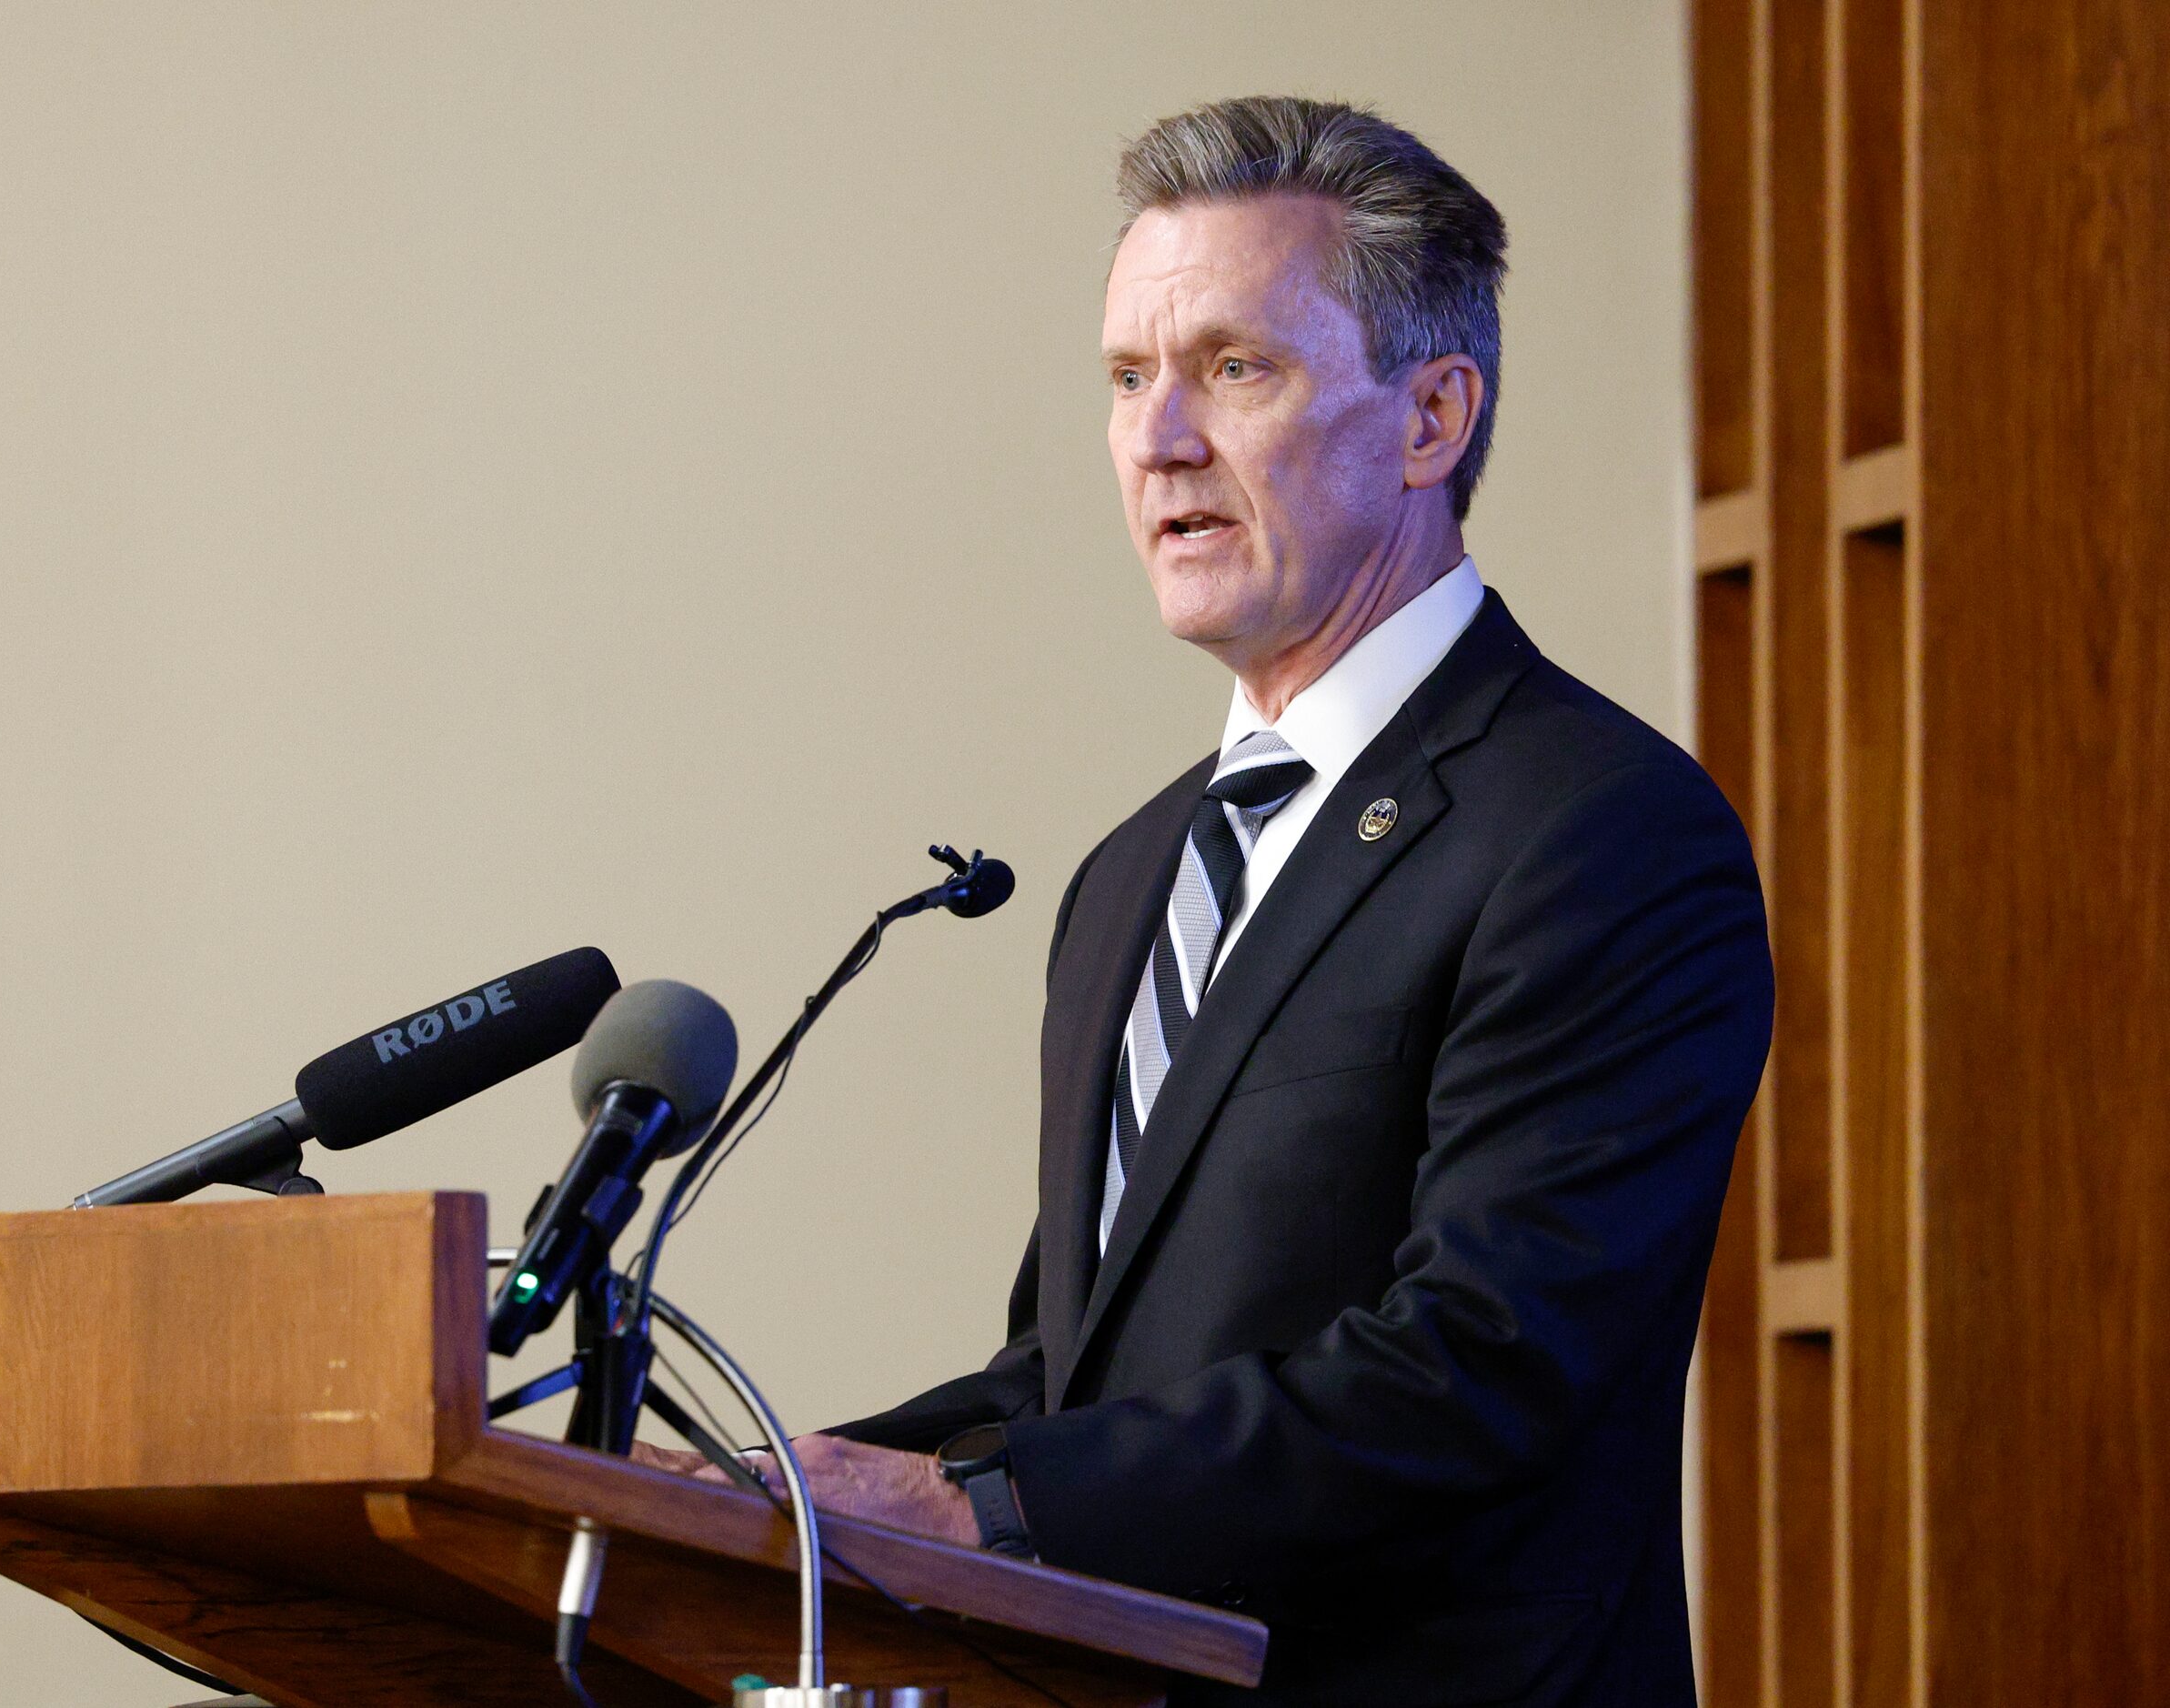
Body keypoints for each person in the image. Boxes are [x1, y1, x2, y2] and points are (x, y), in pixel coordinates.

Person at [644, 96, 1773, 1707]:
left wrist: (978, 1503)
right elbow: (1080, 1374)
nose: (1159, 436)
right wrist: (782, 1488)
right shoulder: (1130, 875)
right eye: (1126, 378)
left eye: (1236, 368)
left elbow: (1477, 1365)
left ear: (1432, 417)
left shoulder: (1599, 831)